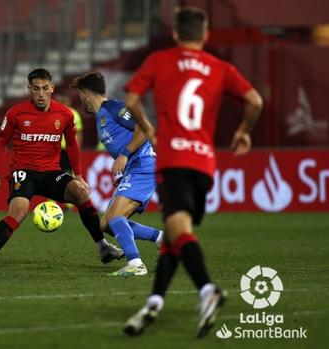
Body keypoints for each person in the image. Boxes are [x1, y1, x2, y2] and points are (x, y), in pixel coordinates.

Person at [121, 6, 263, 337]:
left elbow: (131, 99)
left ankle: (206, 290)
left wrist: (147, 127)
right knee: (172, 237)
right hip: (203, 163)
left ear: (175, 34)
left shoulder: (160, 61)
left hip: (173, 160)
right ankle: (154, 302)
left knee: (179, 229)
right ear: (205, 35)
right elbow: (255, 100)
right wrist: (243, 131)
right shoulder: (220, 67)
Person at [0, 68, 123, 271]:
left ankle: (103, 247)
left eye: (45, 88)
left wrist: (78, 175)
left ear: (52, 88)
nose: (41, 94)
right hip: (24, 171)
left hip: (52, 172)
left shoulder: (65, 114)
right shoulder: (16, 113)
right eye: (36, 89)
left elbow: (71, 145)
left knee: (80, 193)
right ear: (29, 89)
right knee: (19, 211)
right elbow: (1, 143)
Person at [71, 72, 163, 277]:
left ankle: (136, 263)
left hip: (144, 164)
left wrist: (125, 153)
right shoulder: (100, 118)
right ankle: (161, 239)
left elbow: (144, 127)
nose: (81, 101)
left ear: (86, 94)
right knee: (107, 224)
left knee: (115, 217)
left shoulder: (112, 108)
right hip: (134, 169)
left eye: (80, 95)